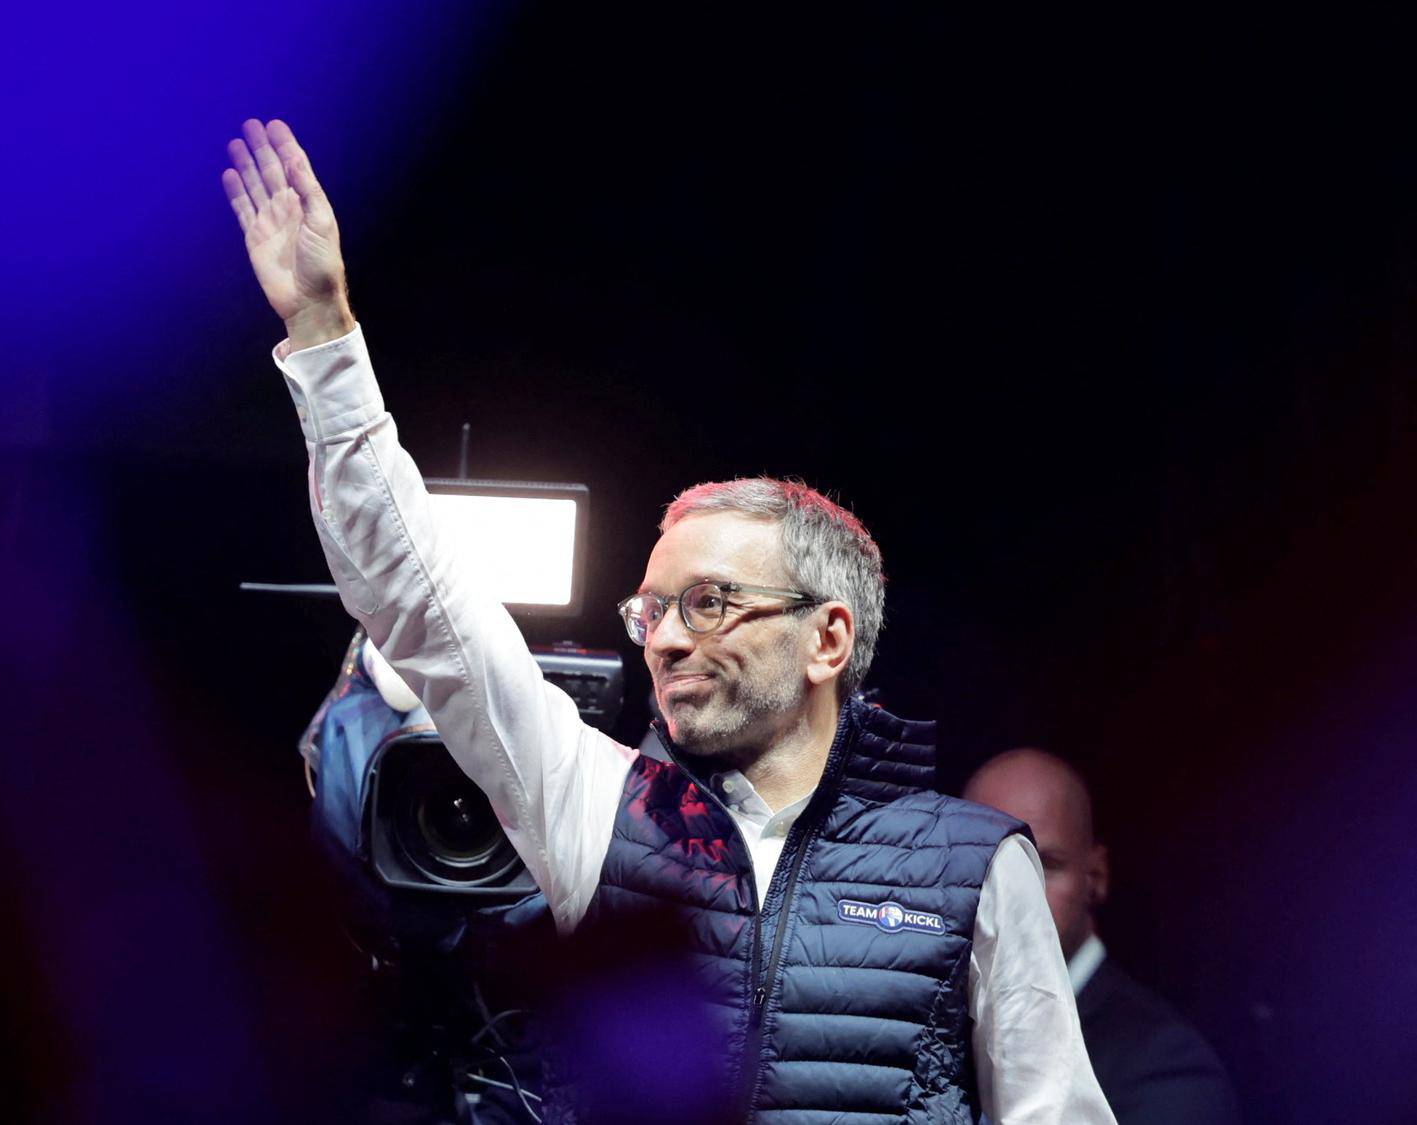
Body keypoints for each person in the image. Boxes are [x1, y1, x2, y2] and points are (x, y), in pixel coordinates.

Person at [223, 117, 1114, 1123]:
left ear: (827, 639)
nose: (668, 636)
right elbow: (417, 599)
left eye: (712, 602)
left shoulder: (972, 865)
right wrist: (324, 337)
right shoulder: (595, 807)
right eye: (652, 608)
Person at [964, 748, 1241, 1125]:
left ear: (1095, 876)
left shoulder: (1164, 1069)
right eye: (986, 866)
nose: (1015, 896)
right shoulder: (931, 1032)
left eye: (1045, 865)